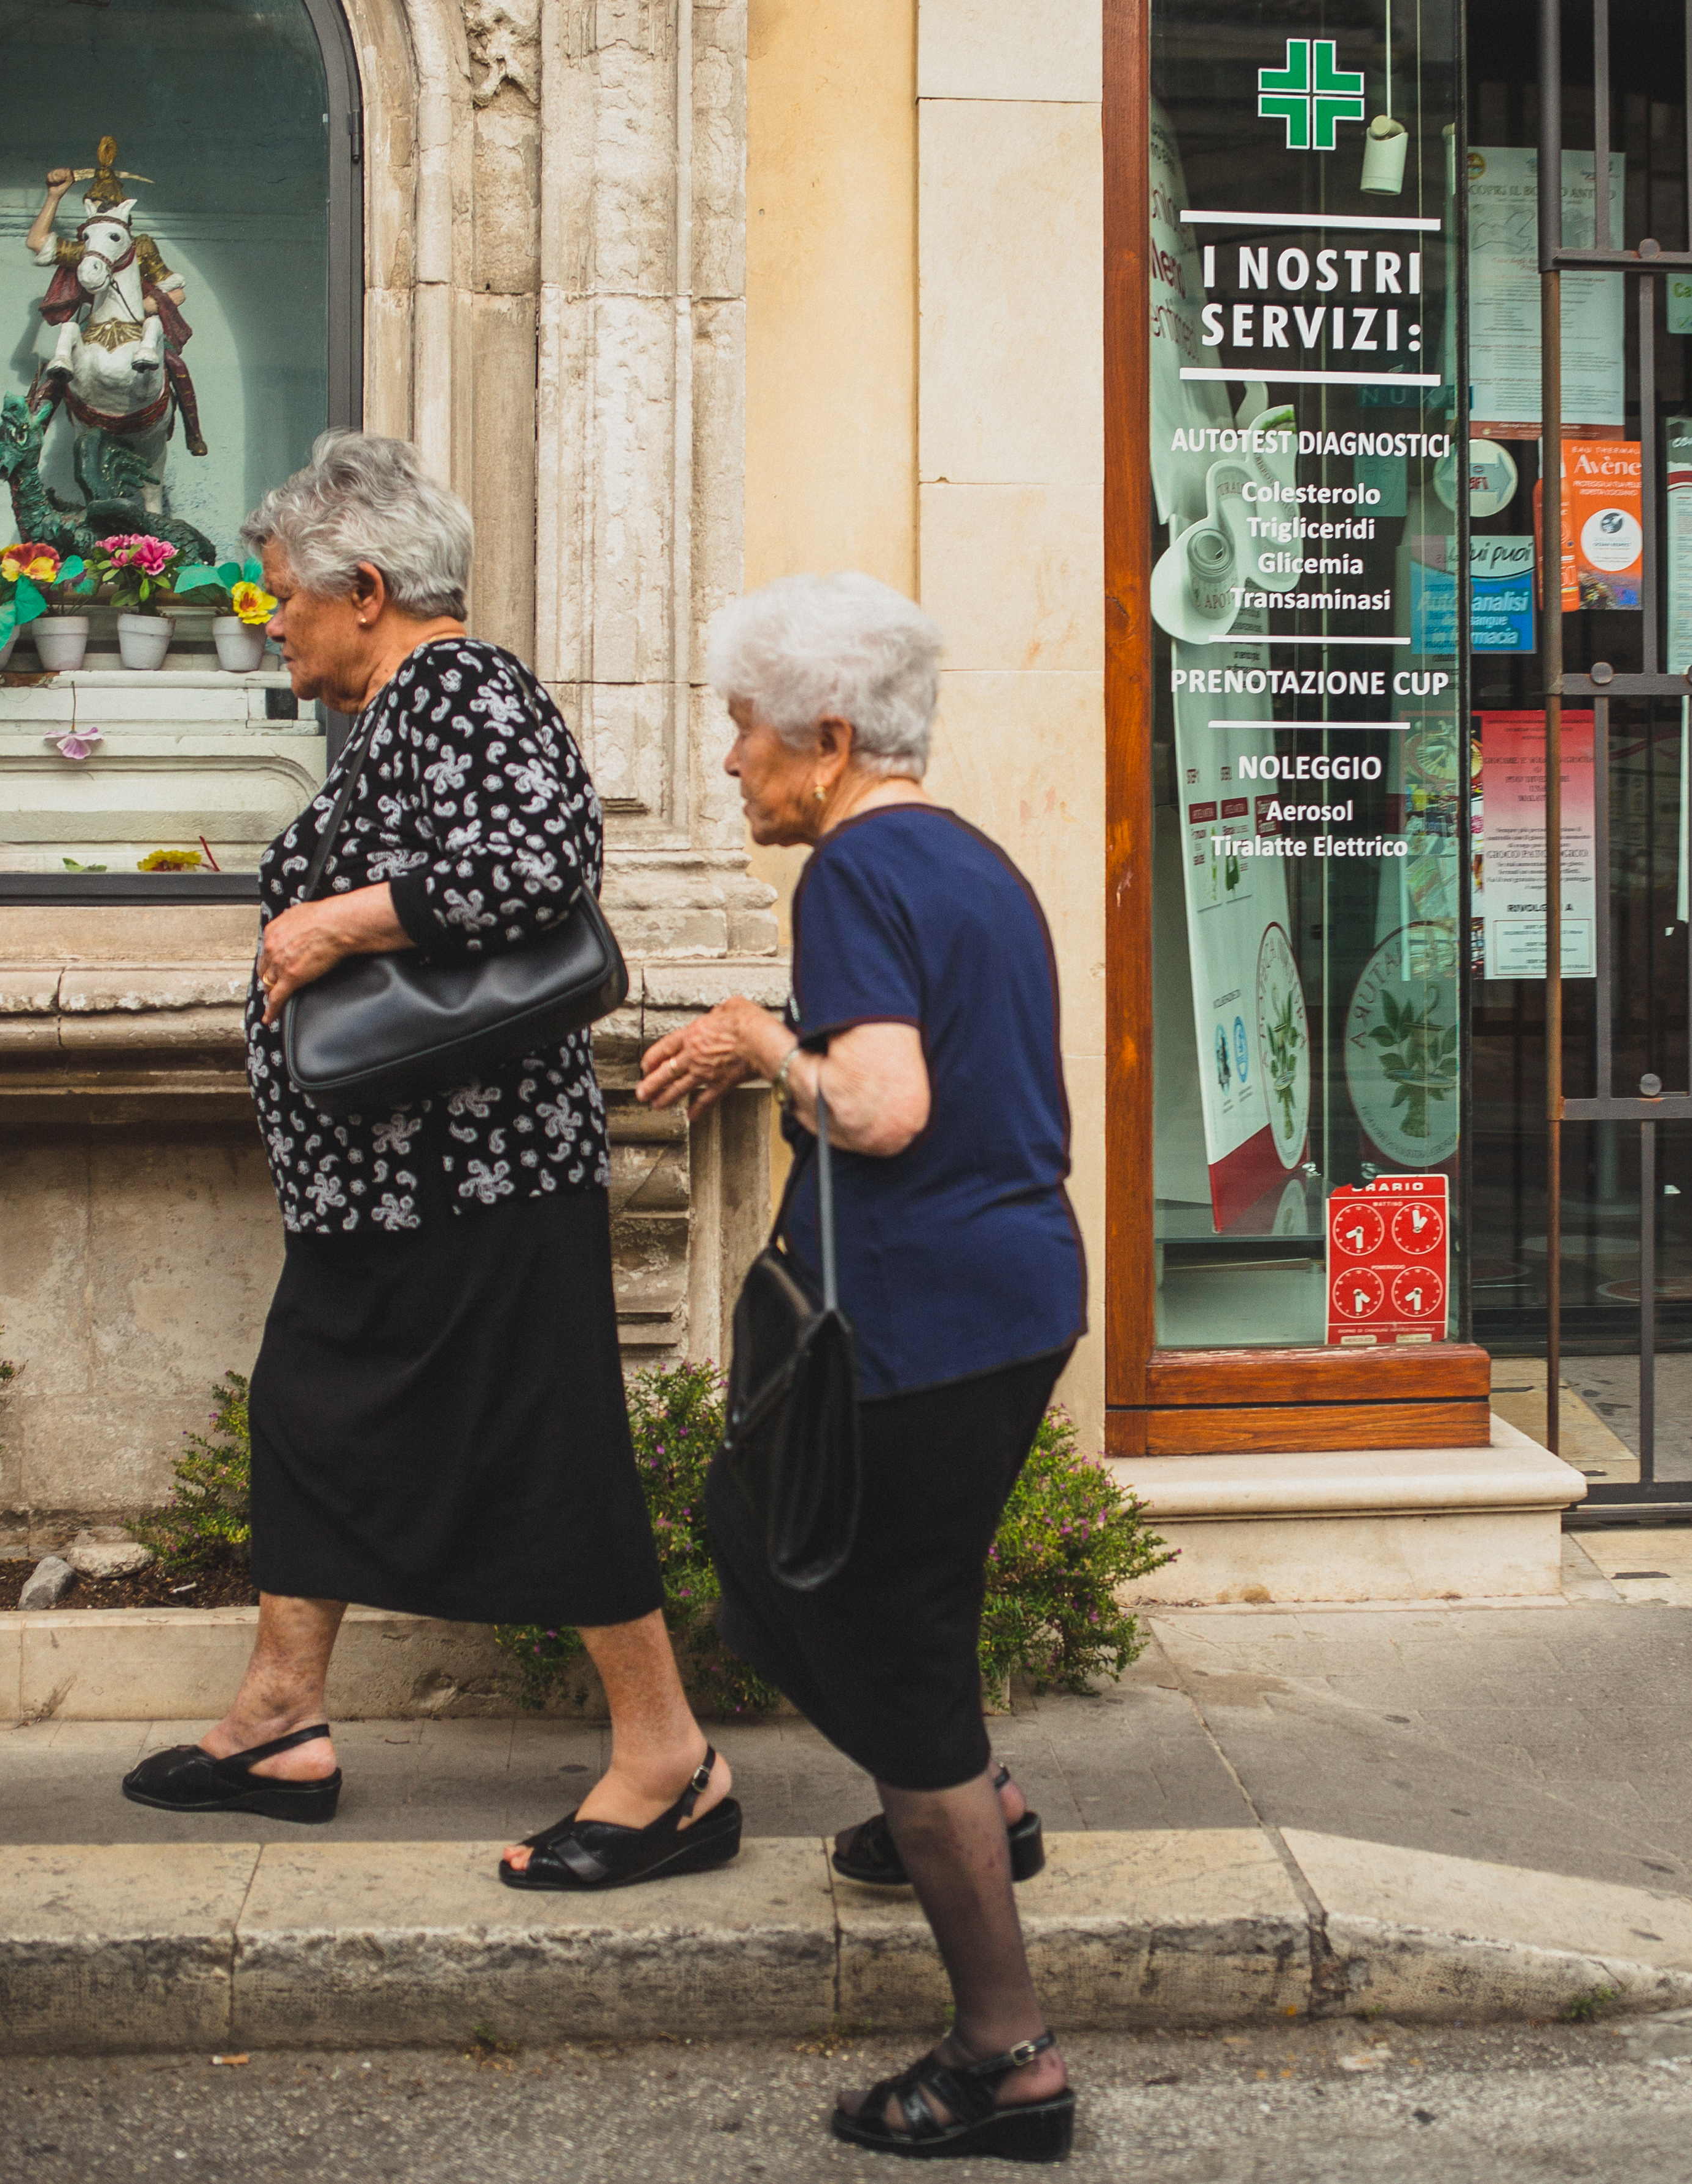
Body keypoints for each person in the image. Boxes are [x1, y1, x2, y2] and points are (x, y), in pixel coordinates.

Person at [120, 430, 739, 1895]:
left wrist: (336, 922)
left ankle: (670, 1762)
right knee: (311, 1414)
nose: (271, 619)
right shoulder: (394, 716)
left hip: (476, 1176)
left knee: (548, 1445)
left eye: (284, 595)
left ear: (368, 588)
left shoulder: (461, 685)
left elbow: (541, 859)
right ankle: (281, 1716)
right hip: (392, 1186)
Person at [640, 572, 1087, 2162]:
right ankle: (984, 1804)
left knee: (886, 1655)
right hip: (1011, 1296)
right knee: (766, 1540)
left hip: (922, 1319)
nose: (727, 760)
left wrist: (762, 1043)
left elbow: (883, 1104)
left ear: (824, 738)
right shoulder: (970, 860)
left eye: (742, 728)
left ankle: (1003, 2052)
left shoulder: (849, 873)